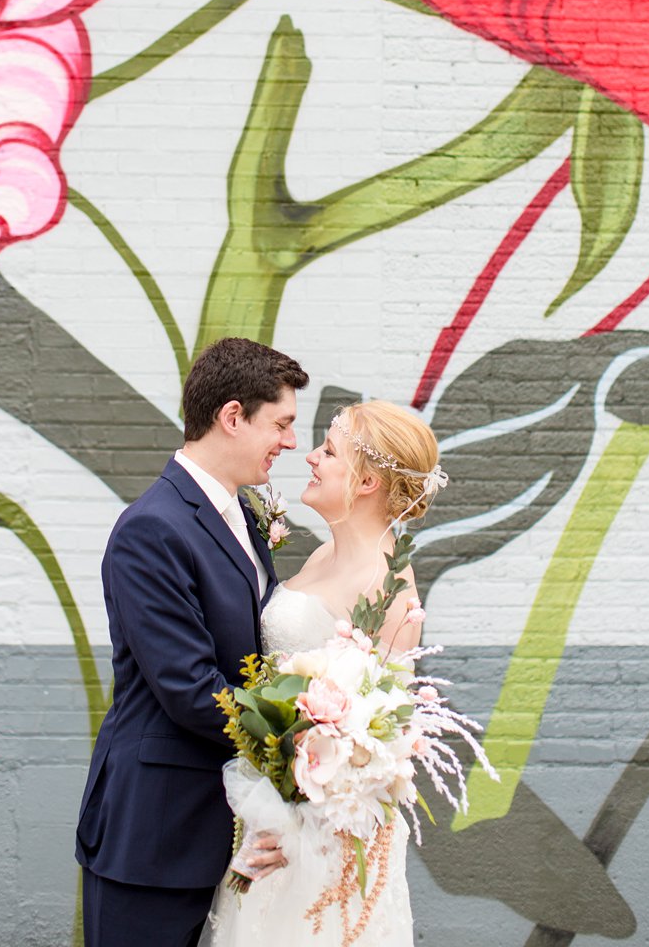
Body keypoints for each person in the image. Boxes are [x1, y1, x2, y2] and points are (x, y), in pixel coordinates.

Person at [75, 336, 309, 947]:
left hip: (228, 825)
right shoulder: (153, 528)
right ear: (233, 416)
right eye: (280, 423)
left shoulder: (245, 516)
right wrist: (306, 738)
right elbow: (187, 687)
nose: (289, 441)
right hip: (155, 832)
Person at [202, 399, 444, 947]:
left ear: (367, 483)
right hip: (276, 821)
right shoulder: (319, 560)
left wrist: (295, 820)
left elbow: (378, 742)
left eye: (329, 451)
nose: (310, 456)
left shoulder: (389, 590)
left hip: (324, 844)